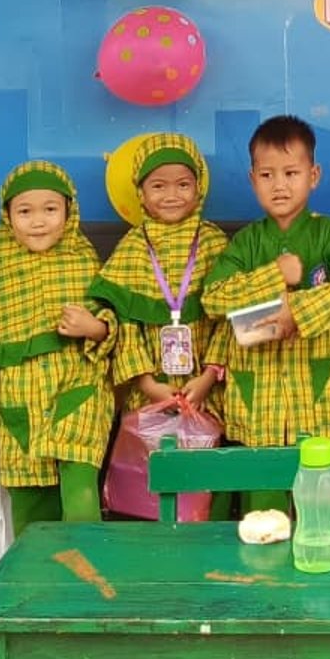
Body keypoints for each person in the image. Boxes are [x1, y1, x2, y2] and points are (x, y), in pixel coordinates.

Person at [200, 115, 330, 511]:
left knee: (320, 507)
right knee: (263, 514)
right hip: (258, 403)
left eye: (291, 172)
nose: (279, 185)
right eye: (267, 174)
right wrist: (273, 275)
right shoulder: (246, 242)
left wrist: (299, 309)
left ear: (313, 175)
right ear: (252, 179)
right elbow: (213, 298)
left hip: (320, 400)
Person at [0, 159, 114, 534]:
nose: (38, 221)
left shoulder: (85, 259)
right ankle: (37, 586)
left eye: (50, 209)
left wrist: (95, 328)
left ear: (69, 212)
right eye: (25, 211)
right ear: (7, 216)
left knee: (79, 495)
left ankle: (85, 582)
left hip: (77, 388)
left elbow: (112, 319)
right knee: (29, 505)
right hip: (19, 394)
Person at [85, 133, 228, 434]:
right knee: (150, 472)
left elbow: (228, 318)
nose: (172, 195)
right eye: (158, 186)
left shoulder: (214, 243)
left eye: (183, 184)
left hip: (207, 390)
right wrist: (148, 383)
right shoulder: (133, 247)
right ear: (141, 193)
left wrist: (207, 378)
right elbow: (124, 323)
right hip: (148, 392)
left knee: (201, 471)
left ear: (199, 187)